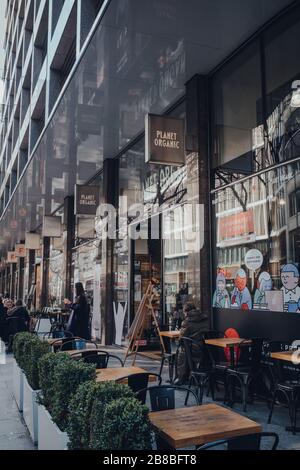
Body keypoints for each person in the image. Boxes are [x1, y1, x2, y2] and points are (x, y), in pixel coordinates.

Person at [175, 303, 209, 385]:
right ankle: (190, 376)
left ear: (186, 312)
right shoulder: (204, 318)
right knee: (186, 348)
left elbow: (181, 338)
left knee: (181, 351)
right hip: (207, 350)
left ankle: (181, 379)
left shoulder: (187, 321)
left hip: (194, 350)